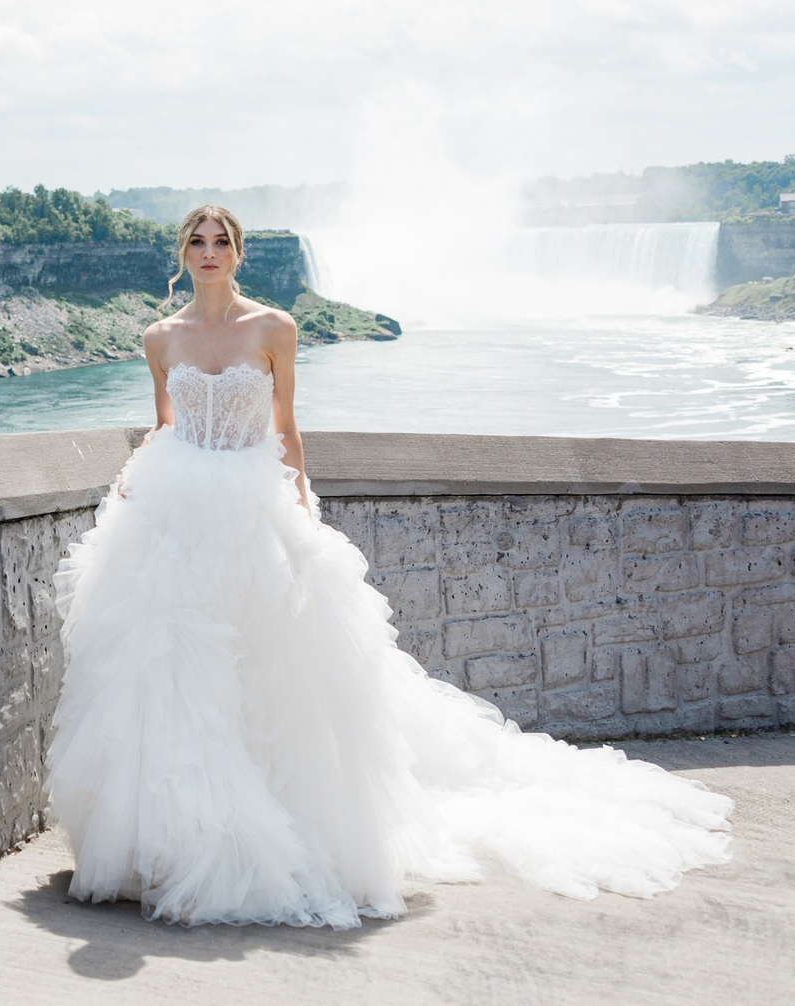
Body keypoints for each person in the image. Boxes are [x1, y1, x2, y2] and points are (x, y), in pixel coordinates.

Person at [44, 205, 733, 929]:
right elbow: (166, 424)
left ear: (239, 253)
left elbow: (286, 426)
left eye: (221, 242)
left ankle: (277, 830)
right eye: (197, 242)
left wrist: (300, 502)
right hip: (176, 513)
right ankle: (174, 842)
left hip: (250, 507)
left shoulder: (274, 328)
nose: (209, 252)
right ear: (182, 253)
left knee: (269, 671)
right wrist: (136, 475)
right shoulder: (161, 338)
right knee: (175, 674)